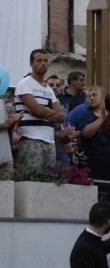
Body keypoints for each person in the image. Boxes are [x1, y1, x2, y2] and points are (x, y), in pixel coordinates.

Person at [71, 86, 110, 212]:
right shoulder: (84, 114)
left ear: (103, 97)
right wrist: (102, 118)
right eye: (88, 96)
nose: (91, 98)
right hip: (93, 162)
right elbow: (85, 133)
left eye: (94, 95)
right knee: (95, 198)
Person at [14, 49, 65, 177]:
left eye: (46, 61)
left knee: (49, 181)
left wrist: (44, 112)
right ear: (31, 64)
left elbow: (61, 116)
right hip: (30, 138)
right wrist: (49, 113)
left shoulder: (48, 89)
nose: (43, 63)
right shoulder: (24, 84)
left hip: (49, 140)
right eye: (39, 60)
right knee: (29, 178)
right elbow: (36, 110)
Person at [0, 98, 20, 180]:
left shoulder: (1, 102)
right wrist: (4, 125)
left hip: (5, 155)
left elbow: (7, 129)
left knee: (8, 188)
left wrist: (13, 122)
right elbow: (5, 125)